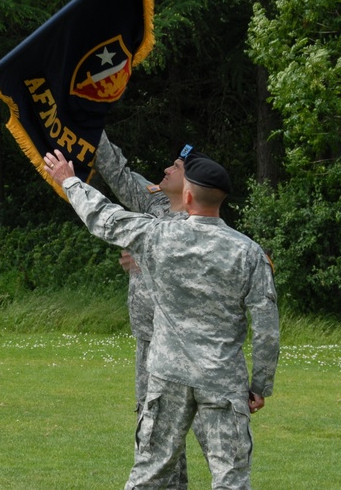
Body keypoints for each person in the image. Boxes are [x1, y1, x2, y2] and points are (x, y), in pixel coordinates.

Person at [43, 146, 279, 490]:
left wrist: (70, 181)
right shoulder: (249, 253)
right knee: (231, 477)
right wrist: (260, 385)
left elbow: (105, 218)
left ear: (188, 196)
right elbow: (267, 328)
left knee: (149, 473)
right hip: (222, 377)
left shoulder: (159, 234)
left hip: (168, 375)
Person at [94, 132, 190, 489]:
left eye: (177, 166)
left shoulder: (200, 223)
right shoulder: (158, 205)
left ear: (194, 182)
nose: (166, 169)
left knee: (171, 432)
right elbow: (118, 173)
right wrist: (89, 128)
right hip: (148, 340)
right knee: (155, 430)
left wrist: (146, 256)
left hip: (180, 346)